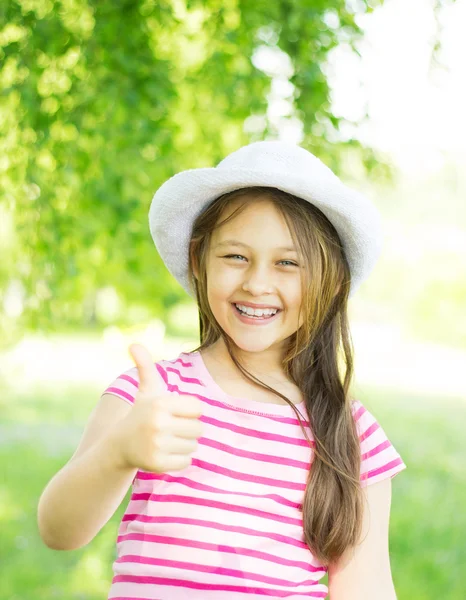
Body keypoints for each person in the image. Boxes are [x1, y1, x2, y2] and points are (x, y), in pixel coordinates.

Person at [38, 141, 407, 599]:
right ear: (199, 260)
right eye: (236, 256)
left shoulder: (351, 435)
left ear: (329, 280)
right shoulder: (152, 397)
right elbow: (58, 530)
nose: (256, 283)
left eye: (287, 263)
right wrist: (118, 452)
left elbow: (365, 589)